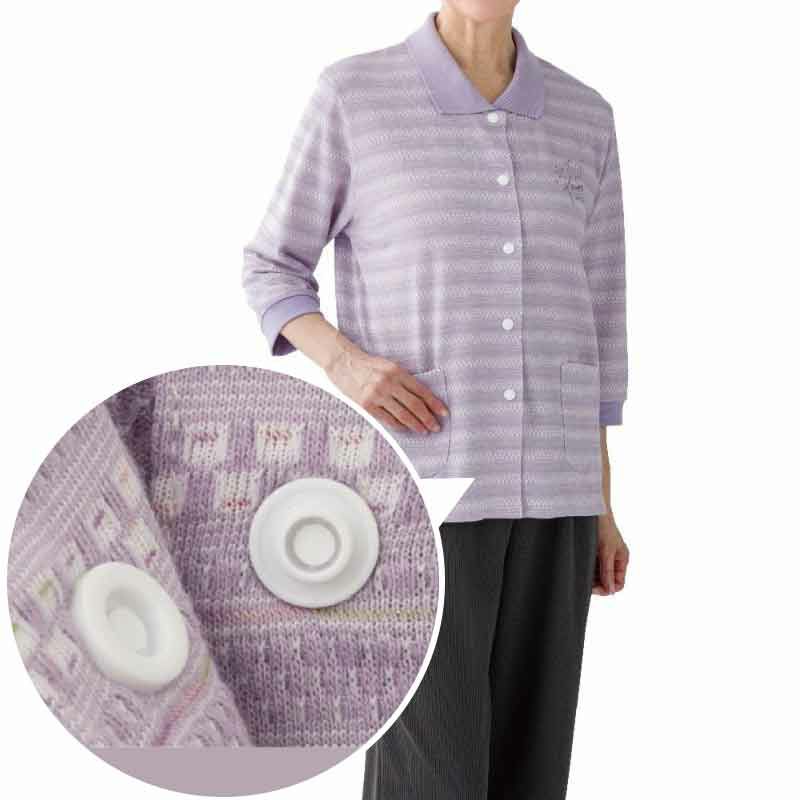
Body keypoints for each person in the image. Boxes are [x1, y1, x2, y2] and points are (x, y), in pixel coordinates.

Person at [243, 2, 630, 797]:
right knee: (431, 777)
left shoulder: (586, 116)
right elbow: (271, 267)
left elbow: (598, 316)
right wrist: (348, 365)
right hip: (422, 494)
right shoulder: (355, 96)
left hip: (558, 496)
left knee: (532, 774)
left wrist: (601, 502)